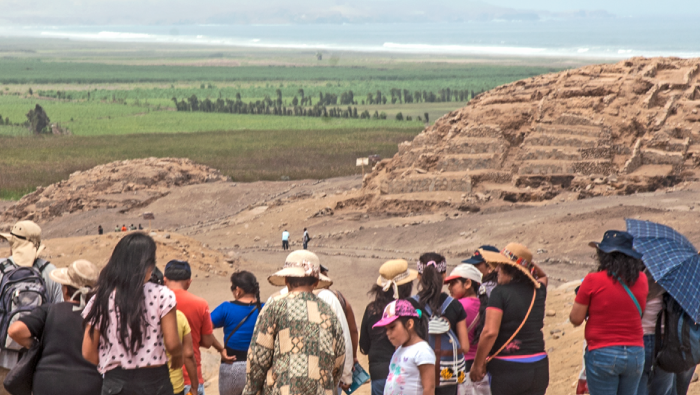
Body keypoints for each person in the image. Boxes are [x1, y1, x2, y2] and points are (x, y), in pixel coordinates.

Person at [82, 232, 183, 395]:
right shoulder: (162, 295)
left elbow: (88, 351)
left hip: (116, 383)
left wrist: (111, 367)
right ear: (148, 265)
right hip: (156, 382)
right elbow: (172, 343)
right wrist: (178, 355)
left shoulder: (100, 299)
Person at [243, 250, 346, 395]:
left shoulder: (275, 306)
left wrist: (251, 390)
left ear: (286, 280)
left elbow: (258, 356)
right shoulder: (329, 312)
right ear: (316, 283)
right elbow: (339, 359)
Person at [570, 231, 647, 395]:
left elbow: (575, 319)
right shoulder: (642, 280)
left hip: (602, 352)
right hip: (635, 353)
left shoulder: (592, 280)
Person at [7, 259, 101, 395]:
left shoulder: (50, 310)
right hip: (89, 385)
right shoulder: (100, 315)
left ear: (66, 290)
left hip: (48, 384)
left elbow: (15, 330)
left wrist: (34, 345)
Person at [470, 243, 549, 395]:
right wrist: (525, 262)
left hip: (508, 369)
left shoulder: (499, 293)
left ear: (510, 269)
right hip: (539, 367)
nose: (496, 269)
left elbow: (489, 332)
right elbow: (543, 276)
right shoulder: (538, 291)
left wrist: (478, 364)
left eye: (500, 265)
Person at [0, 221, 63, 391]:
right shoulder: (50, 272)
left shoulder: (1, 268)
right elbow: (59, 318)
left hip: (3, 361)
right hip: (38, 362)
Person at [164, 260, 231, 395]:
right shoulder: (200, 304)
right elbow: (206, 342)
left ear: (164, 280)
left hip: (160, 379)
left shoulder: (154, 303)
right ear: (189, 281)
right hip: (190, 378)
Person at [410, 253, 469, 395]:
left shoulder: (409, 305)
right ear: (444, 276)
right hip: (447, 377)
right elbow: (465, 347)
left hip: (418, 376)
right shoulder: (455, 306)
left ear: (419, 276)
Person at [360, 259, 417, 395]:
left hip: (379, 375)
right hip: (405, 374)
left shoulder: (371, 310)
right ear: (406, 286)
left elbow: (364, 346)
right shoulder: (411, 309)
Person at [211, 271, 263, 395]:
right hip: (258, 368)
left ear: (238, 290)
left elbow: (204, 328)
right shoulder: (265, 308)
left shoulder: (226, 308)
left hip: (231, 366)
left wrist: (220, 349)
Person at [373, 299, 435, 395]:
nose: (388, 333)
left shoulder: (422, 351)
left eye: (392, 327)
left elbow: (429, 388)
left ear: (409, 324)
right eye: (386, 329)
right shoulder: (398, 351)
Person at [444, 264, 483, 371]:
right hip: (479, 362)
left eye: (453, 283)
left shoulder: (457, 306)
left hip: (461, 361)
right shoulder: (484, 305)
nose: (449, 287)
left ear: (467, 283)